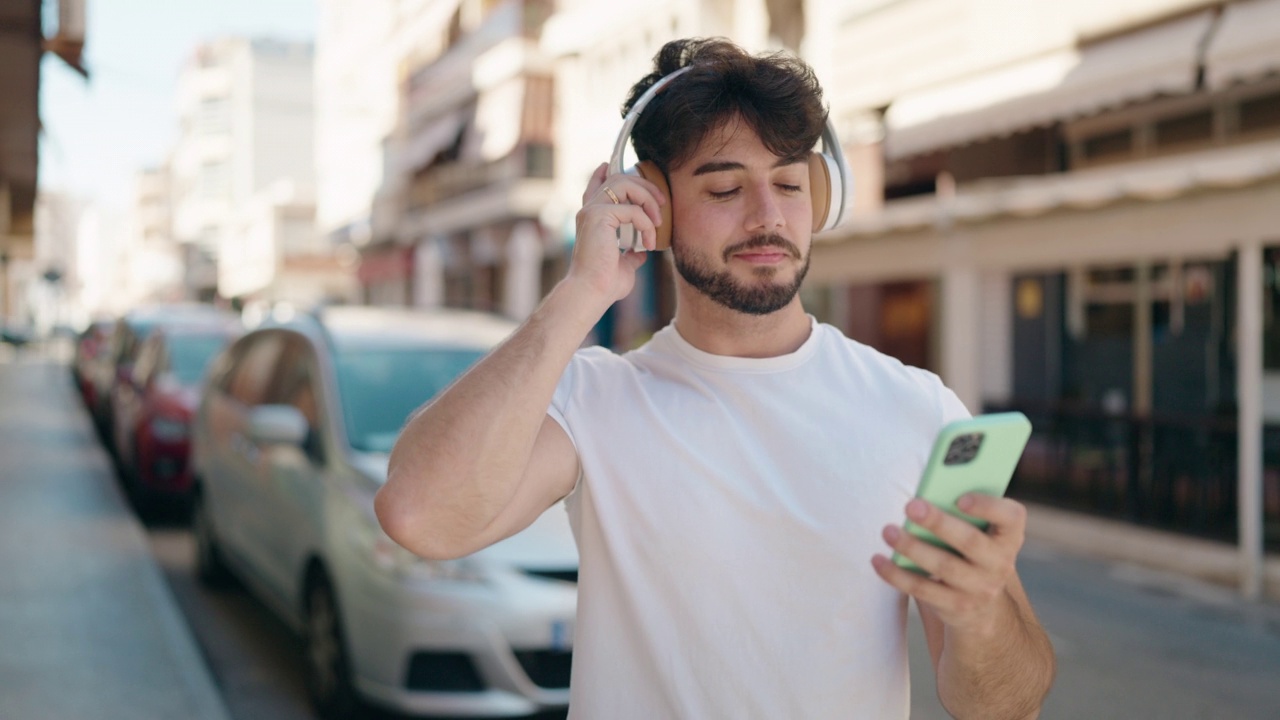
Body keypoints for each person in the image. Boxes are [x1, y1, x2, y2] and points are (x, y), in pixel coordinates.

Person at [377, 37, 1056, 719]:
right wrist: (582, 292)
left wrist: (981, 616)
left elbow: (1008, 708)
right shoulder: (593, 400)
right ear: (654, 204)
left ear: (821, 199)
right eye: (727, 187)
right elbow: (418, 516)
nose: (767, 215)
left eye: (790, 184)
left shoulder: (921, 408)